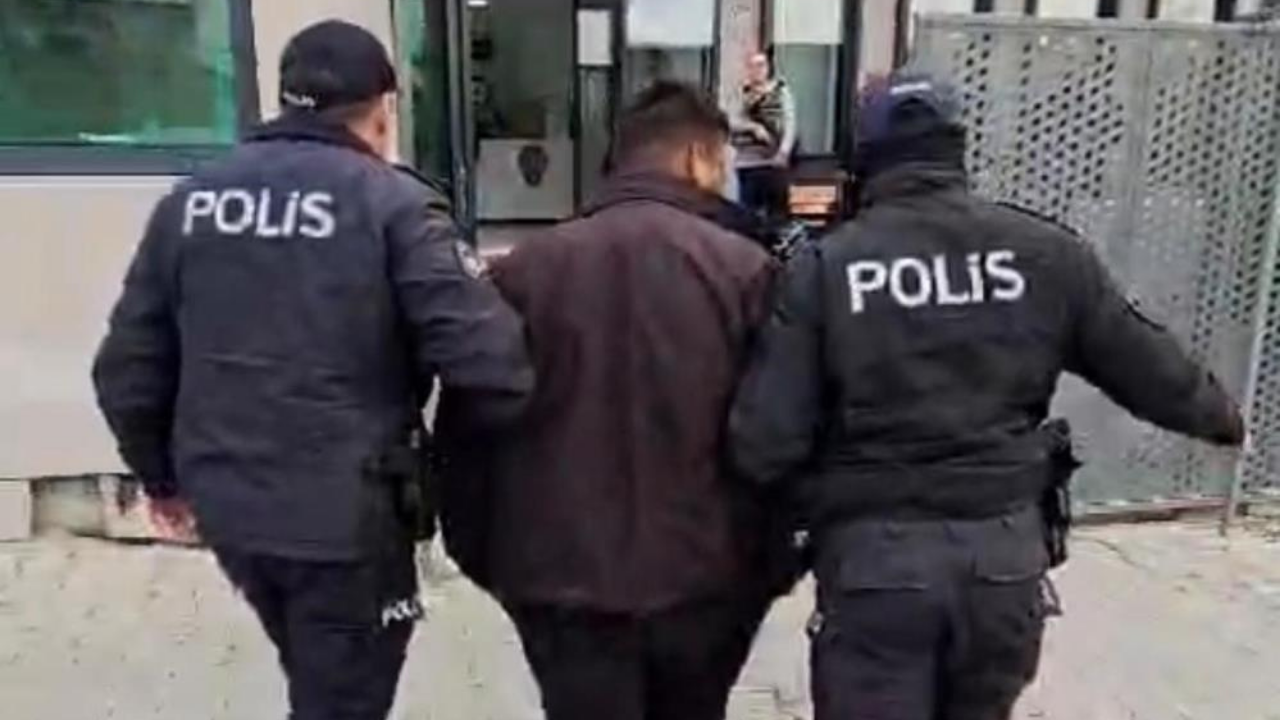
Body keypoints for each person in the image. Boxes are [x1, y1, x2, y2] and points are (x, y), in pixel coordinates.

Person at [728, 73, 1246, 720]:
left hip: (876, 567)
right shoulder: (1045, 253)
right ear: (958, 148)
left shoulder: (827, 268)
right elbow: (1150, 368)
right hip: (1002, 562)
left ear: (867, 158)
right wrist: (1225, 419)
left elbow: (764, 442)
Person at [92, 20, 533, 720]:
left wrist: (162, 480)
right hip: (348, 523)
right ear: (384, 108)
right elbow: (490, 363)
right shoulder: (395, 205)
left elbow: (126, 367)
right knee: (344, 695)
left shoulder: (192, 202)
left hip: (231, 511)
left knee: (317, 670)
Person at [441, 81, 795, 720]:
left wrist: (496, 564)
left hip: (560, 584)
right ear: (698, 159)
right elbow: (781, 431)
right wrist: (769, 568)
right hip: (707, 584)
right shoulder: (748, 273)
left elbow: (466, 433)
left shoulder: (523, 272)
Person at [732, 51, 797, 221]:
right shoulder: (742, 92)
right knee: (748, 214)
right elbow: (731, 120)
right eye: (753, 66)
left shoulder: (780, 91)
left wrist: (784, 152)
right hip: (747, 162)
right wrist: (753, 127)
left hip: (773, 160)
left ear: (768, 68)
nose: (757, 70)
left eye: (761, 65)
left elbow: (790, 123)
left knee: (777, 214)